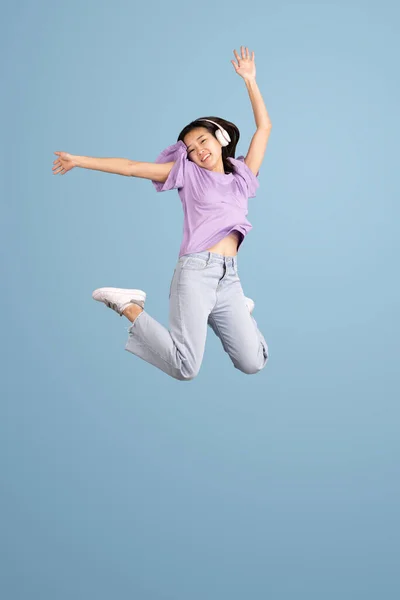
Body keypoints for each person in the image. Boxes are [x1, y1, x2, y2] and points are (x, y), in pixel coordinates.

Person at [52, 46, 272, 381]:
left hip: (230, 277)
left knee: (253, 362)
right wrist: (79, 160)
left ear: (220, 138)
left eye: (203, 140)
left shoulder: (242, 176)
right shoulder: (187, 174)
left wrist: (250, 81)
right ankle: (128, 305)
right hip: (196, 272)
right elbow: (129, 168)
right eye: (192, 148)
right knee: (186, 368)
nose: (199, 151)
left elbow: (264, 128)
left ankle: (237, 311)